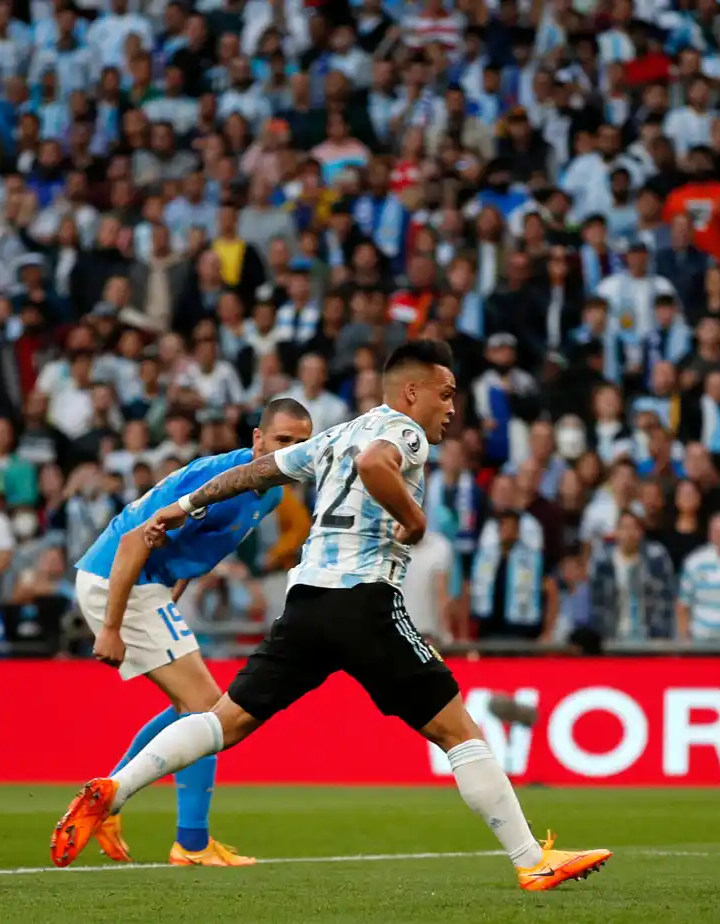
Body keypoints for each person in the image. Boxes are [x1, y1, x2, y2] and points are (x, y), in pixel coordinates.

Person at [52, 341, 611, 891]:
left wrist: (181, 507)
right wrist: (414, 518)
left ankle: (115, 789)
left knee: (225, 720)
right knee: (457, 730)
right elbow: (375, 463)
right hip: (364, 601)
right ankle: (532, 860)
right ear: (410, 392)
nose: (450, 408)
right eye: (444, 394)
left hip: (306, 605)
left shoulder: (336, 435)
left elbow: (253, 473)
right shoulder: (404, 431)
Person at [74, 397, 314, 866]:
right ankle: (190, 843)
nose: (291, 451)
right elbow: (133, 540)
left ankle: (109, 799)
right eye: (282, 440)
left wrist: (173, 592)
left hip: (147, 586)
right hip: (118, 578)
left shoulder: (271, 492)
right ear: (257, 440)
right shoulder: (219, 482)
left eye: (301, 443)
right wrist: (110, 628)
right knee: (207, 710)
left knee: (192, 709)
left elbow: (193, 548)